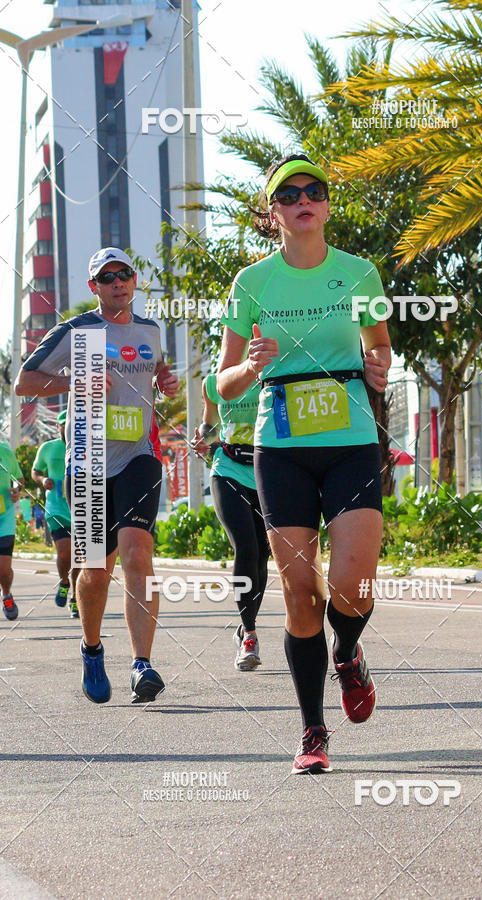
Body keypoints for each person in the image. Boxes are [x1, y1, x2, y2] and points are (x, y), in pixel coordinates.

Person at [217, 154, 391, 773]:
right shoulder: (252, 283)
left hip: (349, 441)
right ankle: (313, 730)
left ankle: (349, 649)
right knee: (298, 594)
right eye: (288, 194)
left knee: (353, 581)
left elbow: (379, 347)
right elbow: (224, 385)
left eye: (313, 190)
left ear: (325, 203)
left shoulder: (359, 274)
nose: (302, 200)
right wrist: (252, 366)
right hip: (281, 447)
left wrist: (377, 369)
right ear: (275, 212)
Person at [16, 247, 179, 704]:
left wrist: (164, 381)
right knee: (93, 570)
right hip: (87, 462)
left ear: (133, 280)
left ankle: (142, 664)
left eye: (124, 274)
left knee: (137, 552)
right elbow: (23, 383)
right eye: (107, 278)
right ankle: (91, 649)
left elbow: (152, 376)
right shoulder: (76, 331)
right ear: (94, 287)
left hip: (139, 456)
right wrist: (75, 382)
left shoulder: (149, 331)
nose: (117, 283)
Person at [192, 372, 269, 670]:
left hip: (267, 472)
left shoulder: (272, 371)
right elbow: (211, 427)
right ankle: (250, 634)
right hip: (228, 469)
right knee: (246, 547)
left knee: (262, 554)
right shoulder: (213, 383)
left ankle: (244, 626)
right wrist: (203, 438)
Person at [32, 410, 80, 617]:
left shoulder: (87, 447)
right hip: (56, 508)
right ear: (59, 427)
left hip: (81, 508)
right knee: (64, 552)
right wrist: (43, 480)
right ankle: (64, 581)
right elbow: (36, 470)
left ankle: (76, 597)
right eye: (63, 424)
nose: (66, 428)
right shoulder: (48, 448)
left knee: (80, 556)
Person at [0, 442, 24, 621]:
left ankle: (6, 594)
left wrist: (16, 490)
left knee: (4, 568)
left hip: (4, 517)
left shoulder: (5, 452)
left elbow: (19, 478)